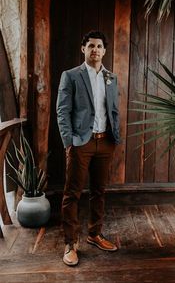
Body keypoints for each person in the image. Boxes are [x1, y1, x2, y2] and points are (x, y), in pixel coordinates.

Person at [56, 30, 120, 266]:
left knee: (99, 191)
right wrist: (69, 141)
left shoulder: (111, 77)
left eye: (99, 46)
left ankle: (95, 234)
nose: (95, 50)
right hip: (80, 142)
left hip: (105, 142)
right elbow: (62, 111)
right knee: (72, 193)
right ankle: (70, 243)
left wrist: (115, 136)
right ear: (83, 49)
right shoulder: (71, 76)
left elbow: (113, 110)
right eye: (91, 46)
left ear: (104, 50)